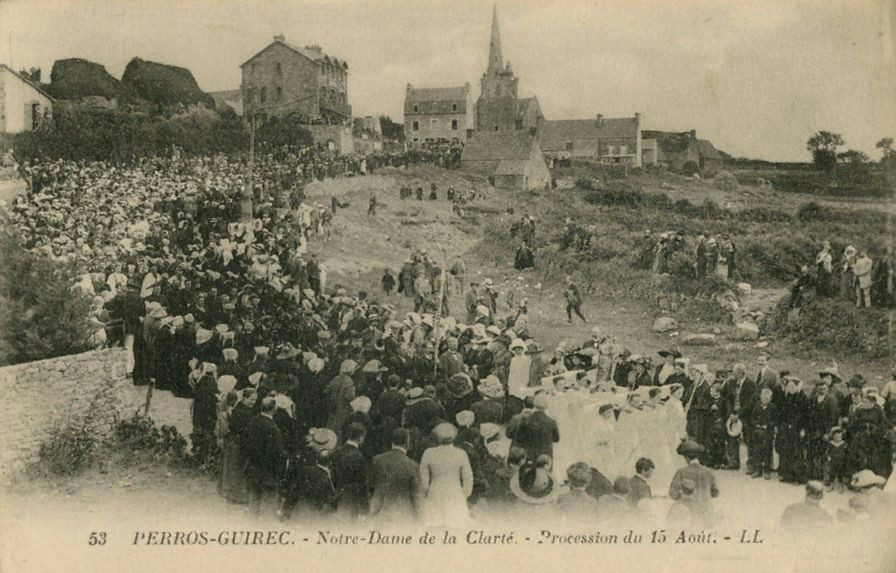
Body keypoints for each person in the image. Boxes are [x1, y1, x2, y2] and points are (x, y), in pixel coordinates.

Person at [419, 423, 474, 526]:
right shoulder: (461, 453)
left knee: (435, 525)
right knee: (456, 525)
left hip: (435, 492)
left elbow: (423, 479)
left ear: (437, 437)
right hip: (455, 492)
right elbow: (468, 478)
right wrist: (464, 495)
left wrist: (427, 493)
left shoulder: (429, 453)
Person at [244, 396, 287, 517]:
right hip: (268, 471)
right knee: (269, 501)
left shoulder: (253, 420)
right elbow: (279, 452)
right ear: (274, 409)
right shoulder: (273, 428)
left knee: (254, 499)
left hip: (253, 467)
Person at [369, 428, 423, 524]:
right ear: (407, 443)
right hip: (403, 515)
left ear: (392, 441)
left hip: (379, 513)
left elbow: (370, 486)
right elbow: (416, 495)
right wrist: (420, 520)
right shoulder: (412, 465)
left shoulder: (377, 460)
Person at [669, 439, 719, 524]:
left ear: (687, 457)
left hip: (688, 516)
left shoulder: (681, 472)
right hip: (707, 516)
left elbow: (673, 493)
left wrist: (682, 497)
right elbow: (715, 493)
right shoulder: (708, 472)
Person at [331, 422, 369, 520]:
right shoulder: (359, 457)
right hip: (351, 500)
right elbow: (362, 484)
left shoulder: (336, 452)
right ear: (361, 438)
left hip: (335, 497)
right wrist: (364, 509)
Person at [506, 393, 560, 460]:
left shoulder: (525, 420)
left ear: (534, 404)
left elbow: (518, 437)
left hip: (529, 455)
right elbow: (556, 438)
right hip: (545, 457)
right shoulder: (551, 422)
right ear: (546, 406)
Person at [750, 388, 777, 479]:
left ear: (770, 399)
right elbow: (752, 418)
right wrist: (756, 424)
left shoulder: (772, 407)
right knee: (757, 450)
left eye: (766, 399)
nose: (764, 400)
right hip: (758, 431)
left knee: (767, 451)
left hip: (768, 432)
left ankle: (767, 471)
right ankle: (758, 470)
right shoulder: (757, 406)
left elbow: (775, 420)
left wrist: (768, 425)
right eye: (763, 398)